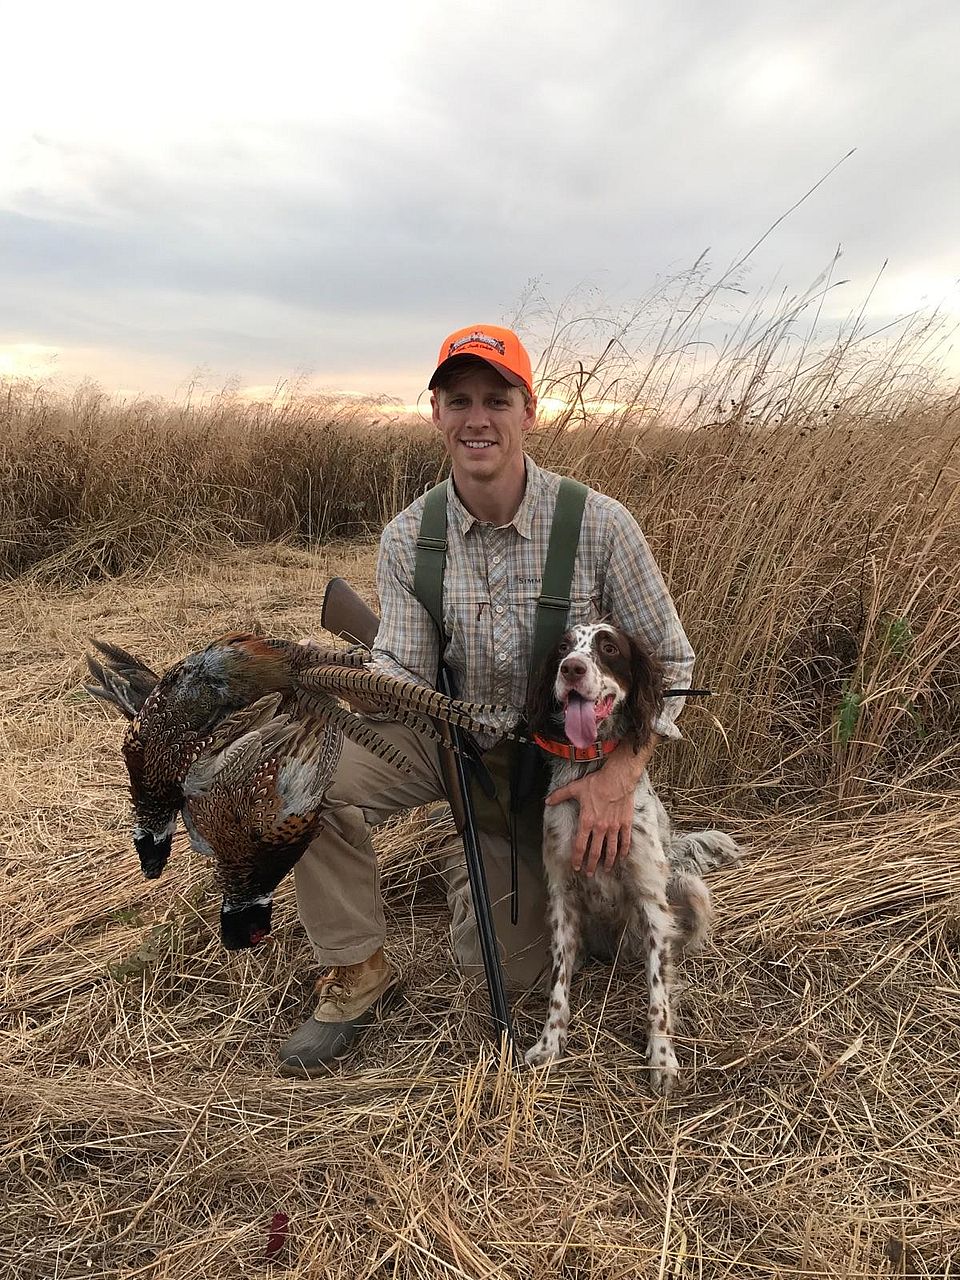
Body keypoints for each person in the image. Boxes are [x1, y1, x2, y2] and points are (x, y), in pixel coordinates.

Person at [279, 325, 694, 1076]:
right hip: (450, 744)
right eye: (459, 399)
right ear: (435, 413)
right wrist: (349, 680)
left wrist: (617, 776)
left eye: (497, 399)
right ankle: (354, 970)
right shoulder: (409, 538)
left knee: (515, 979)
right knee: (301, 774)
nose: (478, 418)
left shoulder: (599, 524)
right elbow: (402, 671)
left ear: (528, 411)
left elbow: (674, 663)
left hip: (558, 771)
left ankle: (477, 861)